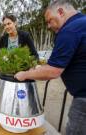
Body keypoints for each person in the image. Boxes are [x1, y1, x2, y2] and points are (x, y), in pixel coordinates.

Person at [14, 0, 86, 134]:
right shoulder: (82, 23)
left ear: (61, 12)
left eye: (50, 21)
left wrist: (25, 74)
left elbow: (53, 71)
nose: (48, 26)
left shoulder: (70, 30)